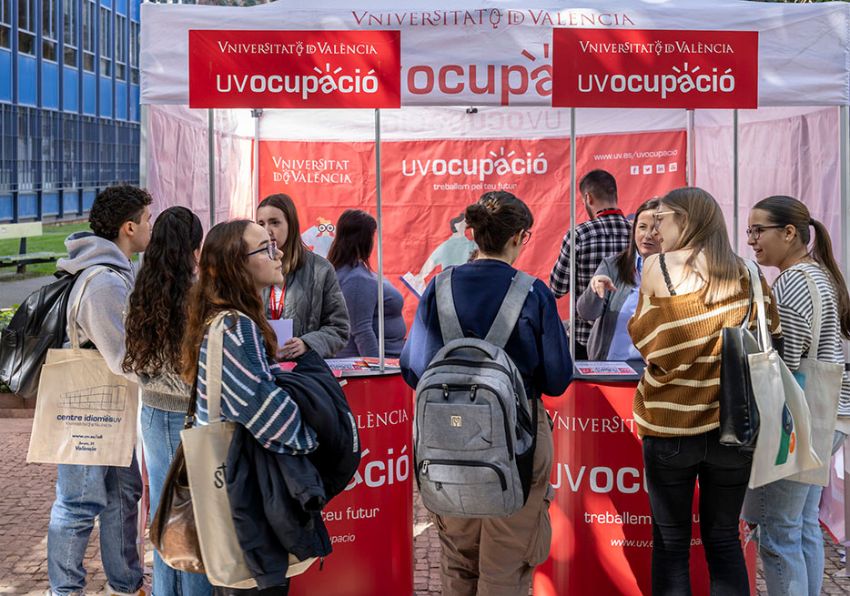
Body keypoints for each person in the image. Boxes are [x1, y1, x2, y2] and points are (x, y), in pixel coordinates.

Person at [400, 190, 573, 596]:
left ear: (474, 234)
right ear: (517, 237)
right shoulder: (533, 293)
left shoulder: (439, 287)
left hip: (447, 440)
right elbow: (557, 379)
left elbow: (414, 369)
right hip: (520, 440)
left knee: (458, 559)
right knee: (507, 562)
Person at [628, 187, 781, 595]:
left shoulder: (658, 267)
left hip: (670, 423)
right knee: (724, 538)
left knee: (671, 543)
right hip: (735, 424)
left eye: (662, 220)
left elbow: (651, 342)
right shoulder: (749, 272)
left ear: (685, 220)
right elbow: (773, 336)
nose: (655, 231)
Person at [181, 220, 318, 596]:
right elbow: (266, 413)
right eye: (266, 247)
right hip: (244, 492)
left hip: (233, 483)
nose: (278, 253)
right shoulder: (236, 326)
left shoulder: (223, 319)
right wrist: (313, 433)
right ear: (236, 264)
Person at [47, 185, 152, 596]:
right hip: (91, 407)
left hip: (110, 408)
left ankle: (125, 584)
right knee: (78, 504)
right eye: (147, 219)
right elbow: (123, 358)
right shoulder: (103, 282)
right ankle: (65, 590)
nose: (151, 227)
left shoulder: (116, 272)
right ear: (129, 227)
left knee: (123, 495)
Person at [742, 195, 850, 596]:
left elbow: (785, 363)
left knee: (778, 531)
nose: (751, 240)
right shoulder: (818, 273)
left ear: (789, 233)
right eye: (749, 231)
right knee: (801, 526)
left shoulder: (793, 281)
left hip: (799, 419)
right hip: (826, 417)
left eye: (758, 230)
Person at [122, 206, 212, 596]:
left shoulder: (140, 292)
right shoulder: (199, 298)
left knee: (164, 516)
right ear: (194, 249)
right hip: (189, 417)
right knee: (192, 521)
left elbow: (136, 360)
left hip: (152, 412)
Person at [549, 169, 631, 359]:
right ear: (615, 195)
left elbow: (557, 288)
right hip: (626, 339)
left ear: (588, 198)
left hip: (584, 340)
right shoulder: (638, 234)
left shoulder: (579, 234)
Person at [256, 193, 350, 359]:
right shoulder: (252, 268)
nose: (267, 231)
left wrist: (307, 343)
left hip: (304, 368)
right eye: (261, 224)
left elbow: (339, 328)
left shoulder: (320, 269)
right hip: (261, 366)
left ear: (291, 225)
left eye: (275, 222)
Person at [576, 198, 660, 360]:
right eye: (642, 227)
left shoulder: (678, 272)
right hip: (611, 365)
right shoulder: (613, 266)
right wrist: (595, 290)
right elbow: (586, 313)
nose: (647, 235)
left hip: (654, 369)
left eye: (656, 228)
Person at [327, 209, 406, 358]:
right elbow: (361, 331)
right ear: (365, 239)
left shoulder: (351, 271)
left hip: (387, 357)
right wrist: (376, 367)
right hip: (378, 361)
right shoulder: (356, 279)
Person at [400, 213, 477, 296]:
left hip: (463, 283)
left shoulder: (470, 244)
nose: (465, 224)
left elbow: (432, 260)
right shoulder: (448, 245)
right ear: (456, 226)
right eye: (462, 222)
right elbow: (432, 261)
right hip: (454, 284)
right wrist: (420, 277)